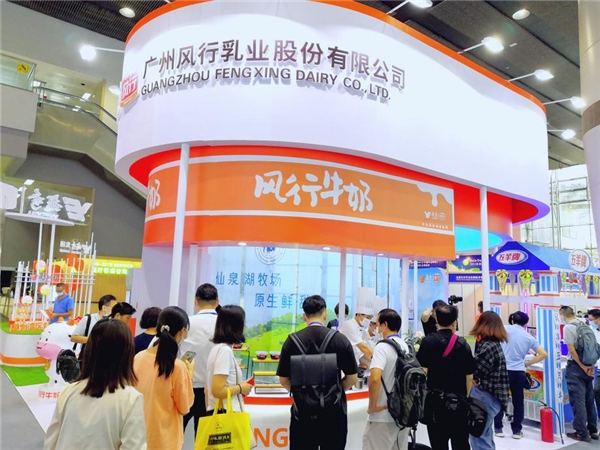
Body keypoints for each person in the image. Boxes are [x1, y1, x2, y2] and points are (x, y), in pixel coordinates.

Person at [43, 319, 146, 450]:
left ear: (90, 350)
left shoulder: (69, 391)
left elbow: (51, 441)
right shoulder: (131, 399)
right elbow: (133, 446)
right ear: (127, 354)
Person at [277, 295, 358, 450]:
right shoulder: (340, 340)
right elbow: (352, 378)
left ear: (304, 316)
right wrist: (334, 391)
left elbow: (284, 380)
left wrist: (303, 393)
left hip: (302, 415)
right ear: (325, 314)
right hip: (334, 415)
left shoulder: (291, 341)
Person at [134, 307, 194, 450]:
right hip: (166, 440)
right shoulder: (177, 367)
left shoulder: (138, 358)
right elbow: (184, 407)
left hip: (138, 435)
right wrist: (190, 374)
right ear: (182, 332)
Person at [417, 305, 475, 450]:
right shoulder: (463, 344)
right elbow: (469, 377)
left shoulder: (428, 342)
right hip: (458, 403)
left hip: (435, 403)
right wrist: (465, 397)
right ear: (455, 321)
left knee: (438, 444)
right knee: (461, 443)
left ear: (436, 320)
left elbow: (422, 373)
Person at [494, 311, 547, 439]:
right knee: (518, 402)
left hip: (503, 371)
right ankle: (517, 431)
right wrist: (527, 363)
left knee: (500, 399)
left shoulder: (503, 329)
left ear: (512, 320)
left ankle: (498, 428)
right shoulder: (528, 337)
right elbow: (543, 354)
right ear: (526, 323)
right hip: (519, 372)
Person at [363, 308, 411, 450]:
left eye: (378, 324)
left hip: (382, 415)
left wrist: (372, 406)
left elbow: (375, 378)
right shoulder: (406, 346)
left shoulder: (382, 347)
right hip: (402, 414)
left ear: (385, 325)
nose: (377, 328)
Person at [180, 283, 219, 434]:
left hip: (186, 386)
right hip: (212, 390)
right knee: (204, 438)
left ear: (195, 302)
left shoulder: (187, 322)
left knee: (176, 434)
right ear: (217, 302)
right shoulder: (224, 325)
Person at [469, 311, 509, 450]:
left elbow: (476, 370)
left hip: (485, 395)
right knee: (485, 435)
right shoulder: (494, 344)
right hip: (492, 396)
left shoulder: (487, 346)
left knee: (479, 437)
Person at [559, 306, 599, 442]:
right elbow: (594, 348)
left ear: (562, 315)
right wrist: (590, 365)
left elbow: (571, 350)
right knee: (589, 400)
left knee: (578, 401)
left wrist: (582, 366)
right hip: (589, 366)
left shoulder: (568, 327)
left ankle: (581, 432)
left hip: (576, 367)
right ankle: (593, 430)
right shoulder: (585, 325)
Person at [206, 305, 252, 415]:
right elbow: (217, 390)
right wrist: (240, 388)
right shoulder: (224, 351)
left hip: (218, 410)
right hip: (226, 412)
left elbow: (207, 390)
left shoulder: (217, 349)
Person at [587, 309, 600, 417]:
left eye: (591, 319)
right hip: (599, 367)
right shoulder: (592, 332)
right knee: (596, 390)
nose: (590, 322)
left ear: (598, 320)